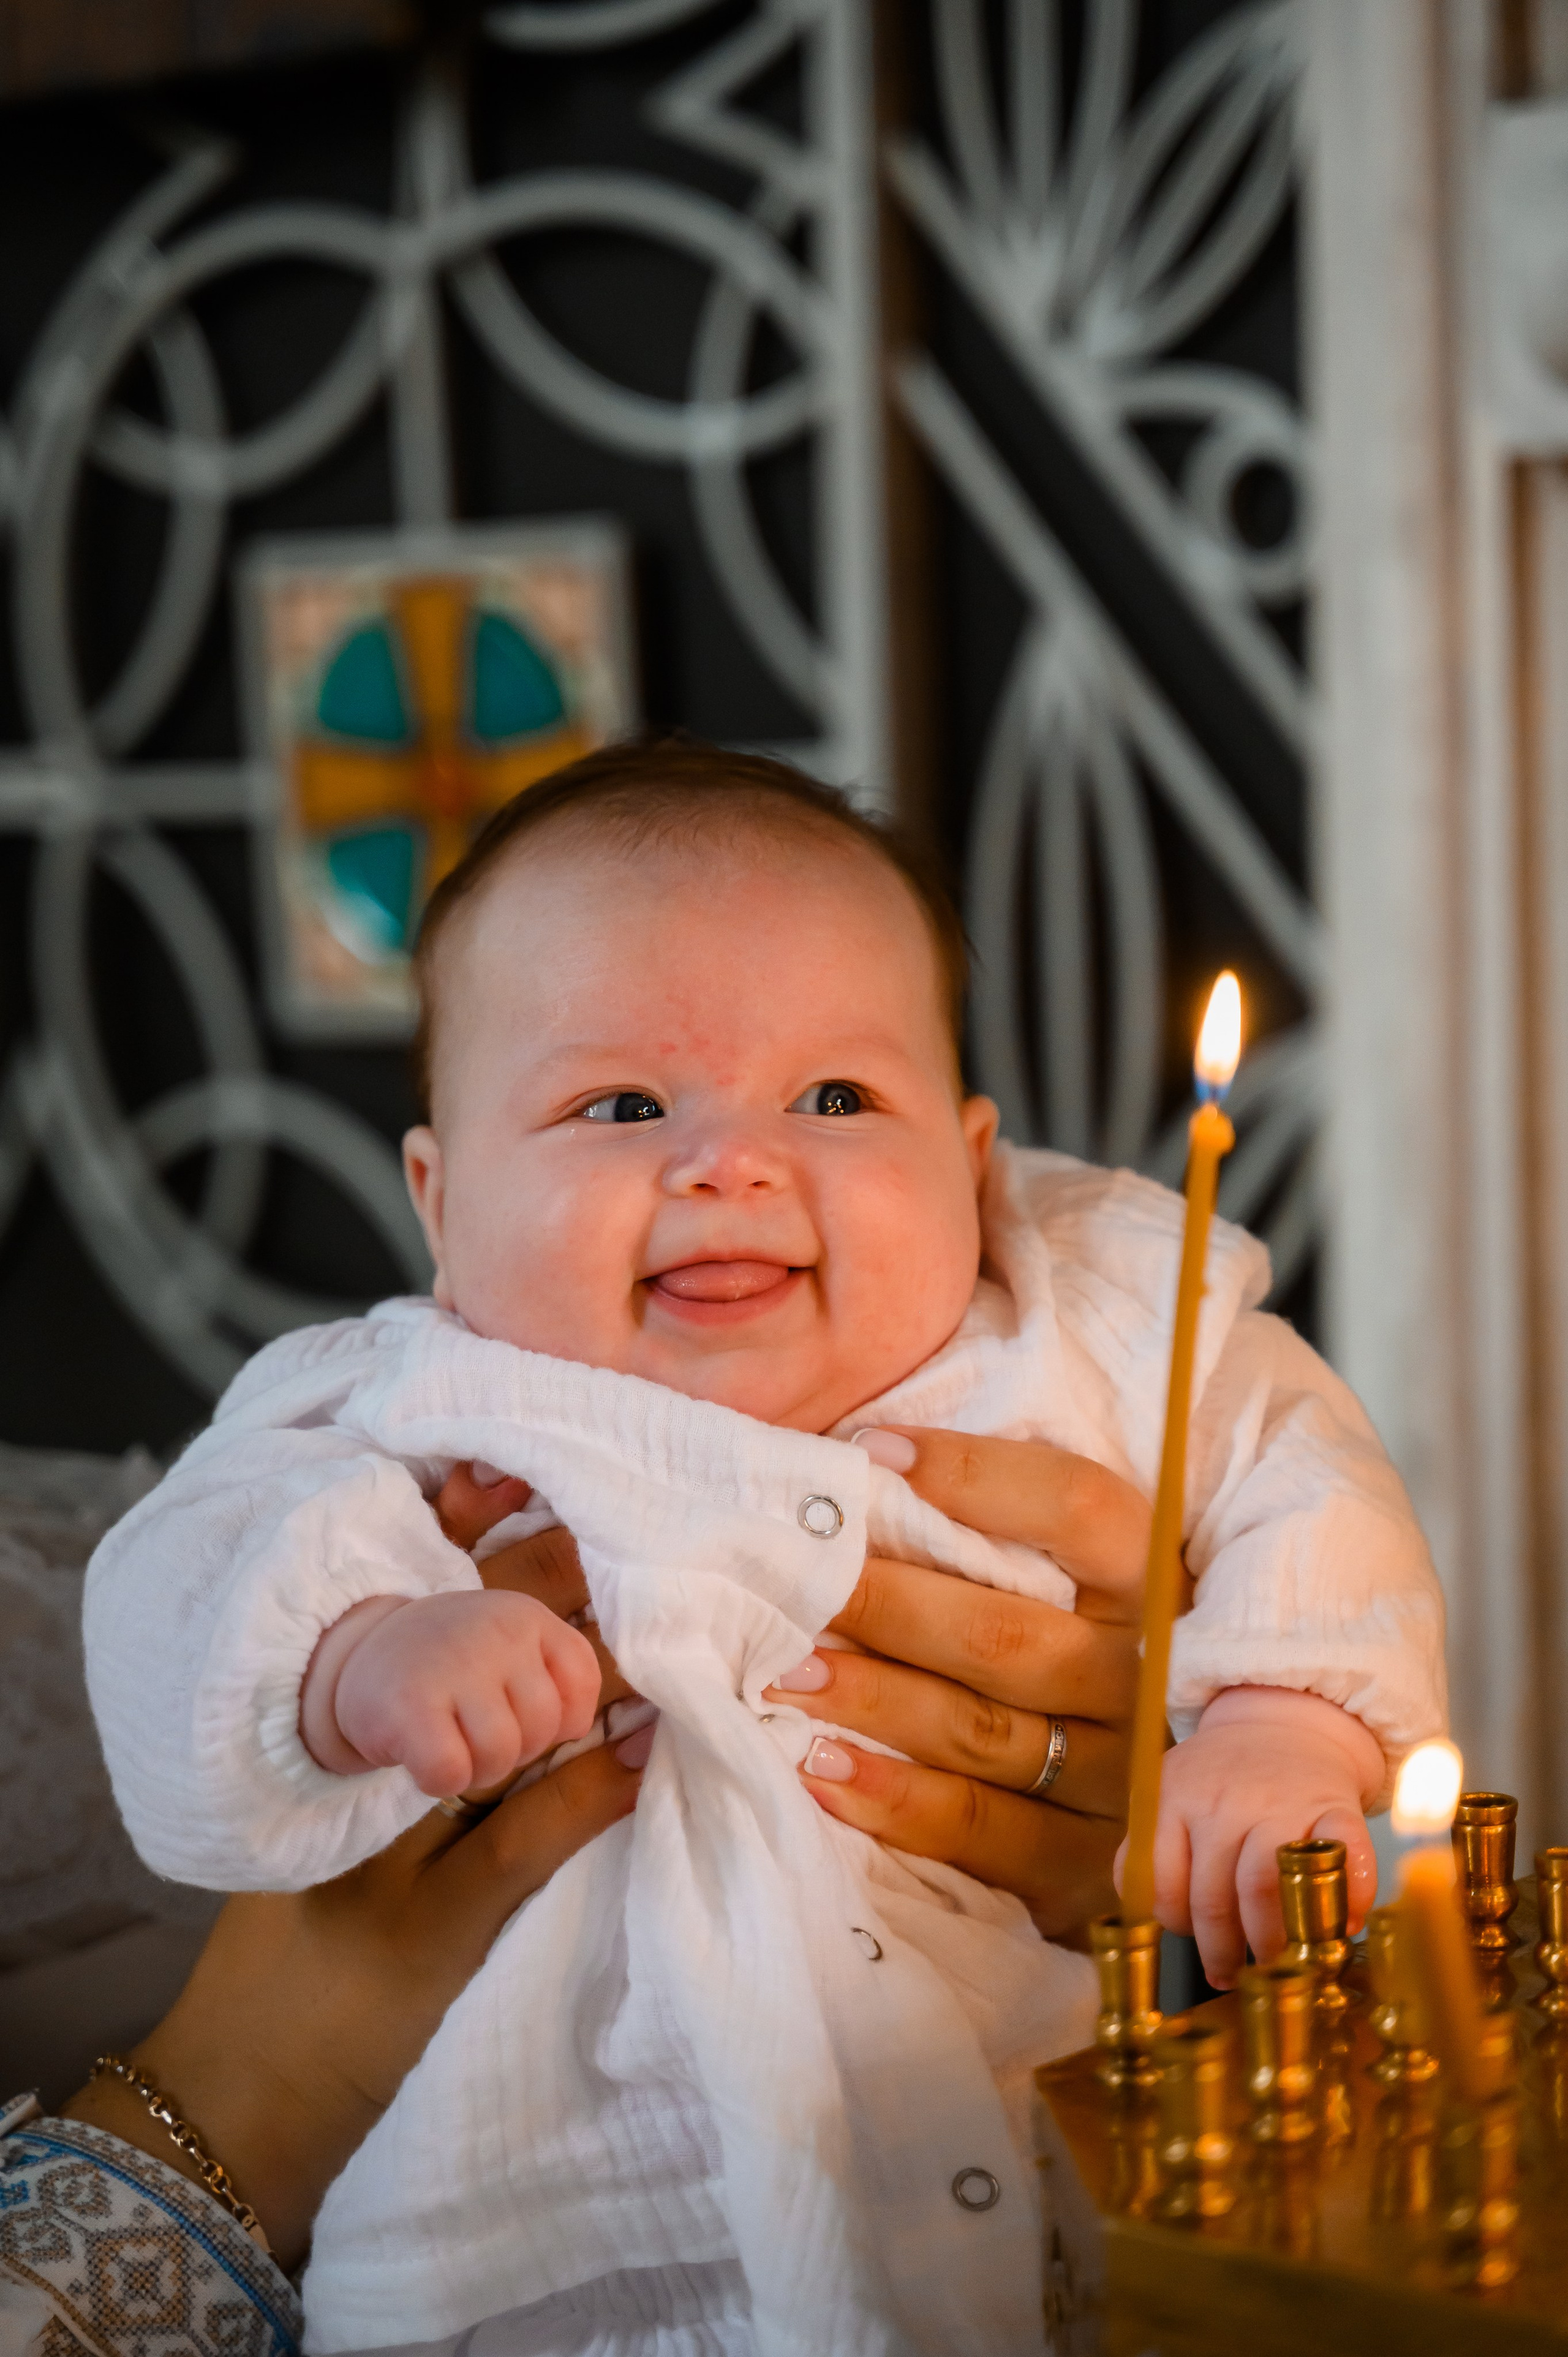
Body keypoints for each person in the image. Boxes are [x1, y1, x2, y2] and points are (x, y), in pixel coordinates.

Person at [83, 739, 1446, 2357]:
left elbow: (1300, 1468)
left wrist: (1284, 1715)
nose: (732, 1159)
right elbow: (172, 1595)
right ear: (442, 1209)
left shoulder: (1085, 1332)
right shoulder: (411, 1406)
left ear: (973, 1158)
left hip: (1026, 2200)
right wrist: (355, 1660)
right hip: (536, 2254)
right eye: (622, 1104)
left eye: (834, 1098)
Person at [6, 1466, 1142, 2357]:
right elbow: (192, 1578)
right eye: (596, 1145)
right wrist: (258, 2099)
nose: (723, 1165)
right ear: (438, 1197)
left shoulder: (1039, 1343)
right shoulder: (357, 1449)